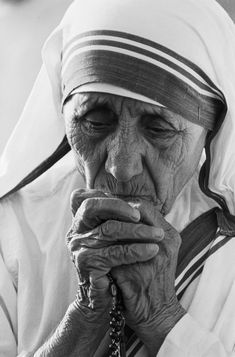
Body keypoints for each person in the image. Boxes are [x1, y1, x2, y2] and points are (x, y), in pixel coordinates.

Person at [1, 0, 235, 356]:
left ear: (211, 129)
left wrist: (162, 319)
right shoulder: (13, 229)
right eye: (94, 122)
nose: (121, 166)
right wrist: (84, 315)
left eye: (158, 129)